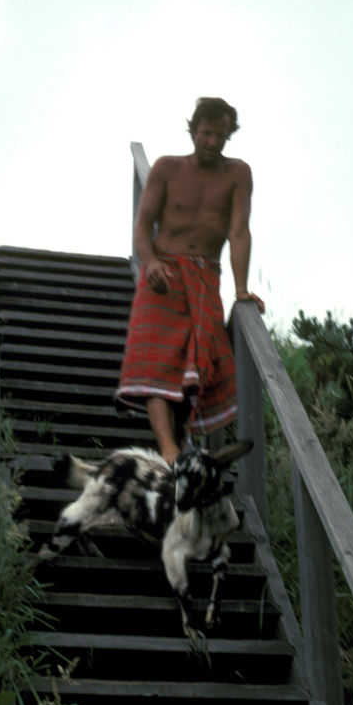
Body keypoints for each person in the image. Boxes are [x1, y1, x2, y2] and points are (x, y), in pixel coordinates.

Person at [115, 97, 264, 465]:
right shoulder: (167, 168)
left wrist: (241, 289)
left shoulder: (238, 173)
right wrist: (149, 263)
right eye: (207, 133)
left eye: (221, 135)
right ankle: (167, 448)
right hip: (161, 274)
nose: (213, 142)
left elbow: (239, 231)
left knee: (199, 364)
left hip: (204, 277)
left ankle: (180, 442)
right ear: (193, 130)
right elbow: (141, 226)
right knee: (156, 362)